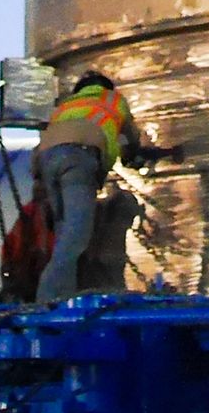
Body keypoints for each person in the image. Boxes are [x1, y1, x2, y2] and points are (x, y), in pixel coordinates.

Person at [33, 72, 146, 303]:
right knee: (77, 236)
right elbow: (132, 137)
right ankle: (48, 299)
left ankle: (66, 297)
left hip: (47, 161)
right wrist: (134, 154)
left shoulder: (66, 106)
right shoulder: (113, 100)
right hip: (79, 158)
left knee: (64, 234)